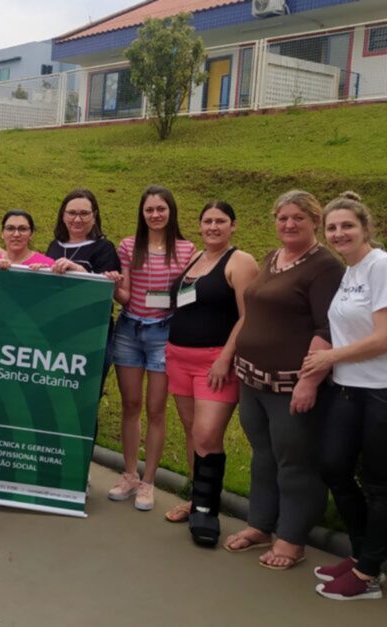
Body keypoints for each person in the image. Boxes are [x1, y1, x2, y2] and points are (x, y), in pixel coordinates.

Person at [226, 190, 344, 570]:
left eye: (298, 218)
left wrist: (310, 380)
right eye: (283, 218)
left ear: (315, 221)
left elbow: (327, 326)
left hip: (291, 384)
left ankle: (292, 538)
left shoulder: (325, 267)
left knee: (295, 462)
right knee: (264, 456)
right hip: (253, 380)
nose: (289, 224)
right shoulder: (273, 258)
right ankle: (260, 523)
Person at [301, 192, 387, 599]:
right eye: (332, 227)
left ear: (366, 228)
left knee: (378, 483)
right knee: (333, 466)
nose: (339, 233)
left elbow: (384, 338)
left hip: (380, 392)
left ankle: (370, 572)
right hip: (348, 388)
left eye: (347, 225)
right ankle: (361, 554)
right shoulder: (348, 271)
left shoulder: (380, 266)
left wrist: (330, 357)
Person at [163, 201, 258, 543]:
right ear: (200, 226)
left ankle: (207, 510)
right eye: (207, 221)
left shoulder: (241, 262)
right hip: (178, 357)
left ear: (233, 225)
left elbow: (249, 315)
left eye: (220, 221)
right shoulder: (195, 259)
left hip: (214, 362)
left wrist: (225, 358)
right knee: (192, 432)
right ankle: (195, 496)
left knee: (206, 435)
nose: (213, 227)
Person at [108, 185, 195, 512]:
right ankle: (129, 473)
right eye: (149, 210)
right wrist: (116, 288)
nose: (155, 215)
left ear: (170, 212)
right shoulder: (129, 245)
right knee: (130, 404)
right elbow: (126, 296)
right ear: (142, 214)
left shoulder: (187, 250)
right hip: (130, 329)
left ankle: (149, 481)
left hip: (165, 333)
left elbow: (189, 296)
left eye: (161, 209)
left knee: (156, 409)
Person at [47, 189, 122, 398]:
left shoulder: (104, 248)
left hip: (91, 334)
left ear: (94, 215)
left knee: (84, 393)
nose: (77, 219)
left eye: (84, 213)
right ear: (62, 215)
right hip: (56, 330)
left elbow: (107, 289)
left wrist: (79, 270)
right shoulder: (54, 246)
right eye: (71, 213)